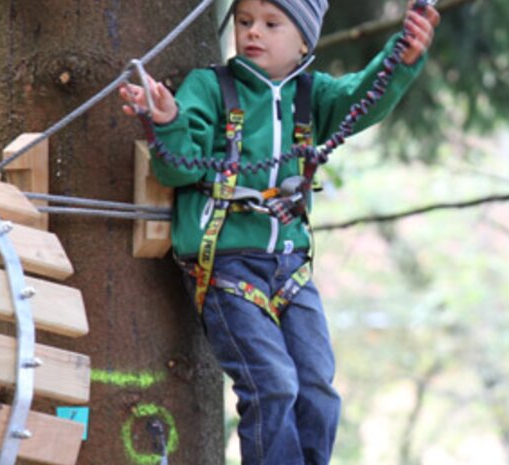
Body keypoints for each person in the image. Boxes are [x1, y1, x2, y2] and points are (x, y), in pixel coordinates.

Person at [118, 1, 438, 463]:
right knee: (272, 385)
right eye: (245, 22)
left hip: (291, 267)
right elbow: (177, 171)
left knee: (317, 388)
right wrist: (167, 120)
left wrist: (400, 57)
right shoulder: (210, 88)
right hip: (226, 264)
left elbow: (361, 96)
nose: (253, 33)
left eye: (271, 24)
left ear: (304, 40)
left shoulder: (313, 97)